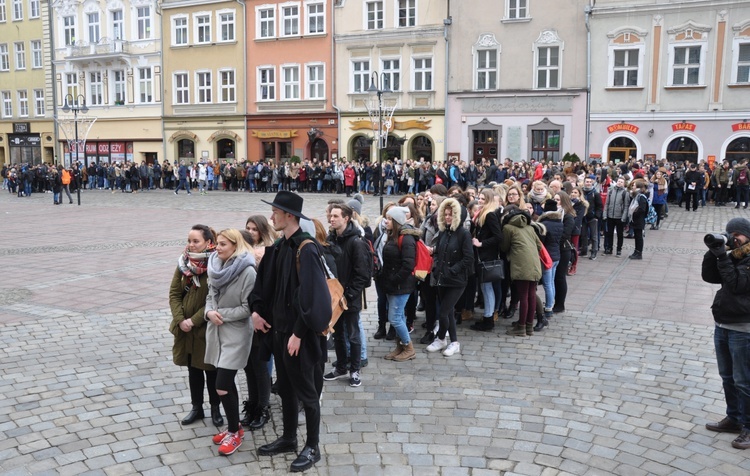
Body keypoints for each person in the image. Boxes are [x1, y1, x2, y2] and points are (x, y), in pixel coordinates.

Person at [249, 191, 331, 473]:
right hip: (280, 334)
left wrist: (297, 333)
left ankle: (313, 446)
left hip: (300, 337)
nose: (272, 216)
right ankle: (288, 438)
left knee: (307, 392)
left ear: (290, 216)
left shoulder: (306, 248)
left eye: (276, 212)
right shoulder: (282, 247)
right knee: (285, 389)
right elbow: (268, 288)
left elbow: (311, 298)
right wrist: (257, 312)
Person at [204, 229, 256, 455]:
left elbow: (247, 308)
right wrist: (208, 313)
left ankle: (234, 432)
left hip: (235, 334)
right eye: (217, 243)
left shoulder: (248, 271)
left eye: (223, 244)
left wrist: (220, 313)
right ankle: (235, 427)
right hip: (216, 331)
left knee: (222, 385)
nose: (217, 247)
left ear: (236, 246)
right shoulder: (215, 265)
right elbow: (209, 296)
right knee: (225, 384)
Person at [702, 217, 750, 450]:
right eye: (730, 234)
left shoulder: (746, 259)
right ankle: (734, 418)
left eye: (737, 235)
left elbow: (737, 285)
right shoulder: (734, 255)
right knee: (728, 377)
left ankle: (749, 427)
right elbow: (710, 277)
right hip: (723, 325)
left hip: (744, 328)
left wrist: (723, 257)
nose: (733, 238)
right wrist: (713, 253)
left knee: (744, 381)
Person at [169, 225, 223, 427]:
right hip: (184, 328)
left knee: (211, 369)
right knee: (193, 369)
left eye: (196, 241)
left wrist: (194, 320)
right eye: (189, 240)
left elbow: (215, 298)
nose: (191, 244)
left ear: (209, 243)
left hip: (206, 327)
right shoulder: (183, 262)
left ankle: (216, 408)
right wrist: (180, 319)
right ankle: (196, 407)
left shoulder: (216, 265)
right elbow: (174, 293)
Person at [323, 203, 371, 387]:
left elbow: (362, 274)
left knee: (353, 334)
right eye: (331, 216)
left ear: (346, 218)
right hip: (335, 297)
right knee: (338, 335)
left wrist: (349, 295)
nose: (331, 219)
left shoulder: (356, 242)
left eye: (336, 216)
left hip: (350, 297)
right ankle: (341, 366)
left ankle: (355, 370)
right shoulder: (331, 238)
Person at [239, 215, 278, 430]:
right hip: (245, 320)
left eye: (255, 228)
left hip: (261, 318)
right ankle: (253, 404)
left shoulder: (265, 253)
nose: (251, 232)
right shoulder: (243, 256)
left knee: (261, 365)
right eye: (248, 228)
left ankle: (263, 407)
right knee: (248, 366)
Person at [426, 198, 473, 356]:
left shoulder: (464, 234)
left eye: (451, 215)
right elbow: (440, 251)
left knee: (444, 312)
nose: (447, 217)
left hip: (457, 279)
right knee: (449, 312)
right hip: (441, 277)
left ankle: (451, 341)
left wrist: (453, 270)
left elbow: (468, 258)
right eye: (445, 214)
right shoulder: (444, 232)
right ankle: (445, 340)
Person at [378, 206, 419, 362]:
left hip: (401, 286)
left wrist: (394, 279)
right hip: (392, 284)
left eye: (389, 219)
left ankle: (409, 348)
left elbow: (408, 265)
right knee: (399, 317)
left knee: (394, 318)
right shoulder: (393, 235)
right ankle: (400, 346)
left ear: (396, 221)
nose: (386, 221)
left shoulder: (406, 238)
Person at [501, 206, 543, 337]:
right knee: (531, 295)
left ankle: (521, 327)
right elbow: (539, 246)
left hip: (521, 265)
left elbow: (504, 246)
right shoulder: (530, 227)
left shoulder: (508, 228)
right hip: (534, 264)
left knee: (523, 296)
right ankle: (528, 326)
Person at [470, 189, 503, 332]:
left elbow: (498, 237)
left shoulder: (489, 215)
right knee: (485, 287)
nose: (480, 200)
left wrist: (481, 243)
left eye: (483, 199)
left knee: (487, 287)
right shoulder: (483, 213)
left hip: (487, 256)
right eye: (479, 198)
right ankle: (487, 317)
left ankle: (489, 319)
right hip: (482, 255)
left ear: (489, 200)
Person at [603, 177, 630, 257]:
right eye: (618, 181)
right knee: (609, 233)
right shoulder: (611, 191)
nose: (619, 183)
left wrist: (624, 217)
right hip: (610, 215)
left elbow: (626, 206)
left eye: (621, 182)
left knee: (619, 234)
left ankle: (619, 249)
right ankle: (609, 248)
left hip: (619, 217)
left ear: (624, 184)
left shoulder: (625, 193)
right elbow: (607, 204)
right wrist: (605, 214)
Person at [627, 179, 649, 260]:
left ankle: (639, 253)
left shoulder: (641, 196)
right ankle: (636, 251)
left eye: (634, 185)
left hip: (639, 220)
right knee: (636, 236)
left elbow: (642, 209)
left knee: (639, 236)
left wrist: (635, 213)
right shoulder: (636, 195)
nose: (632, 187)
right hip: (635, 219)